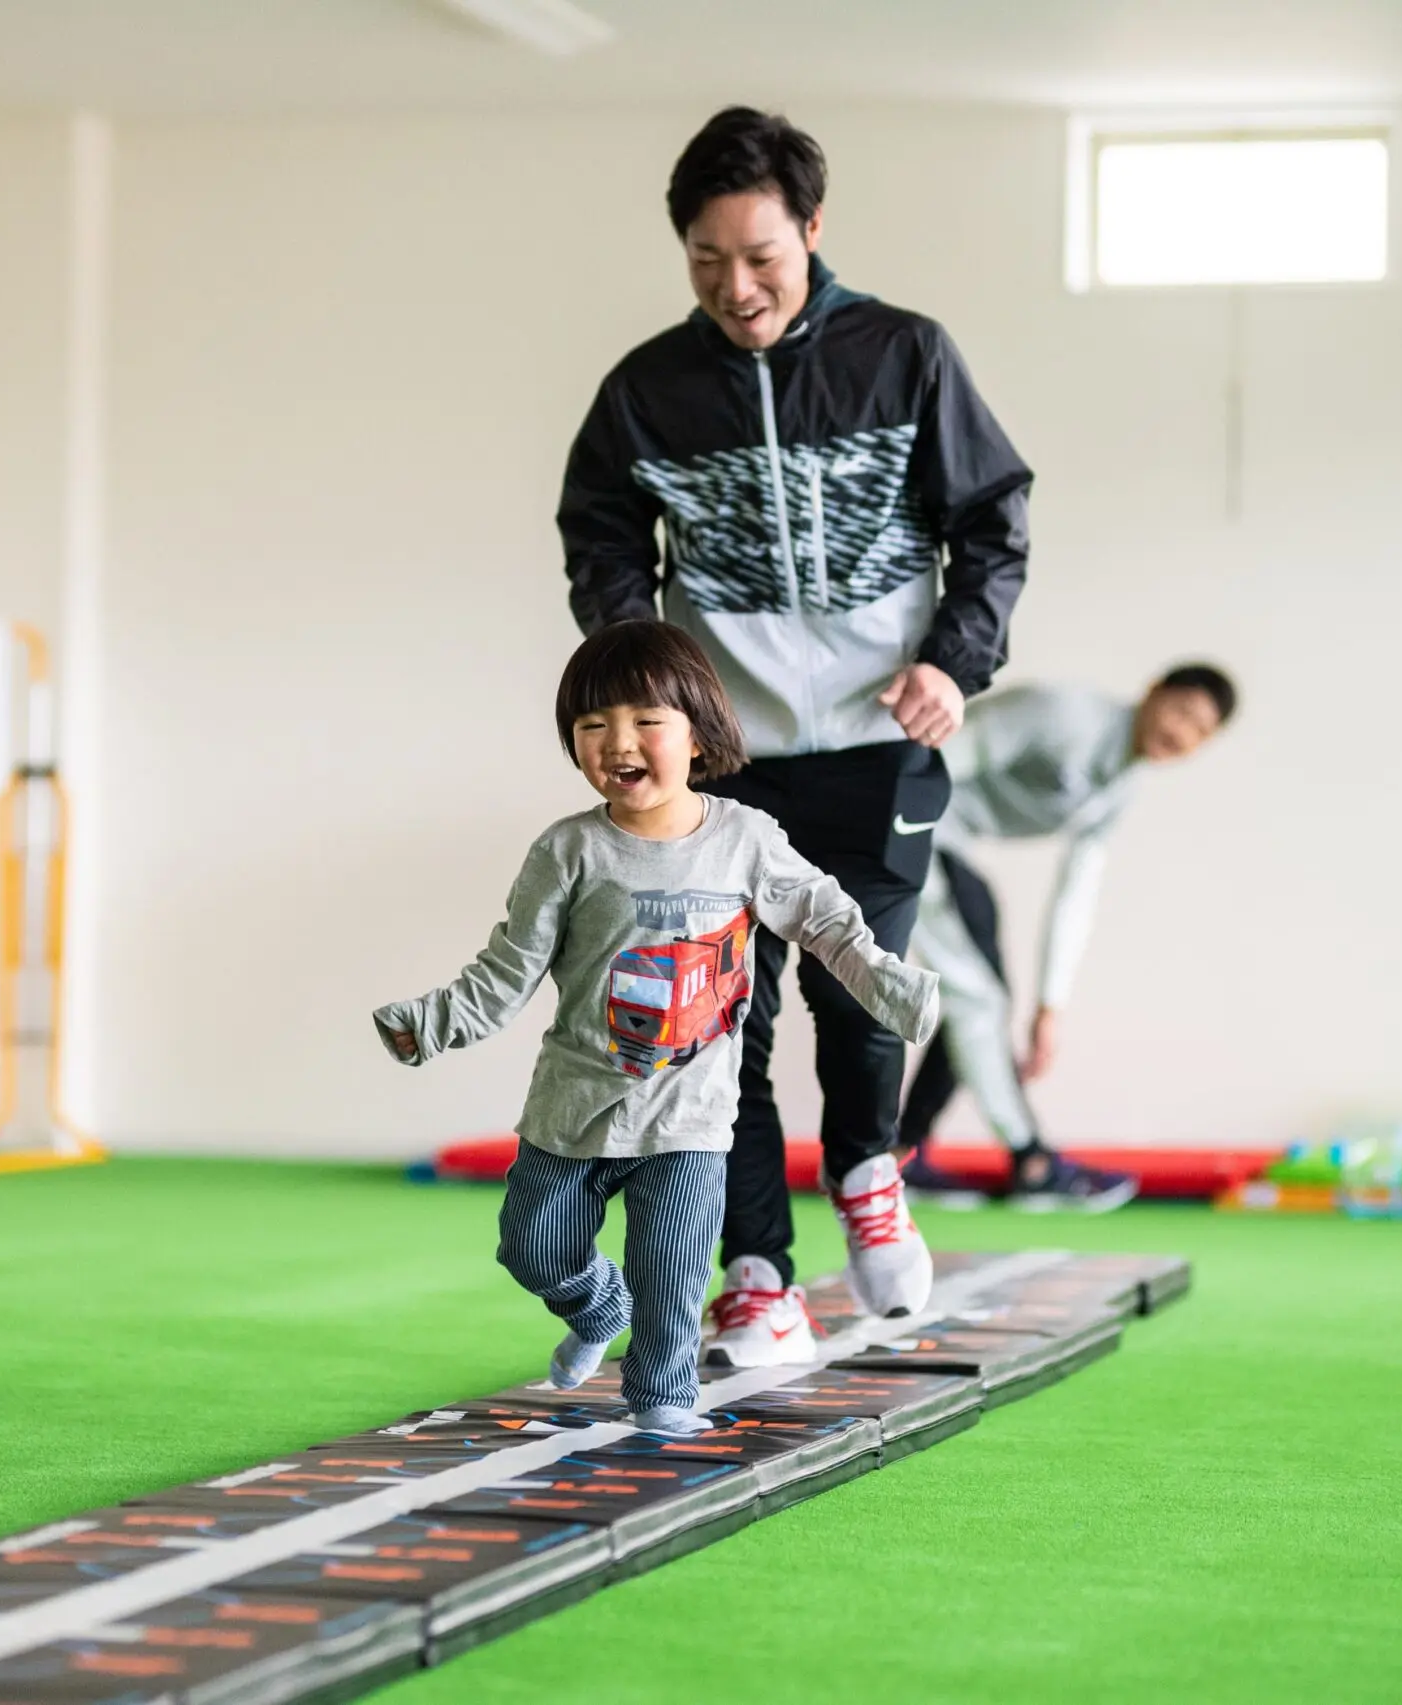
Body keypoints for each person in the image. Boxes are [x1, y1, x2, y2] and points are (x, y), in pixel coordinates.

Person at [556, 107, 1032, 1363]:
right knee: (723, 1021)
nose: (737, 287)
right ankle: (756, 1272)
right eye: (707, 261)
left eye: (760, 255)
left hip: (884, 746)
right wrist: (650, 679)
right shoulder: (647, 391)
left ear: (812, 231)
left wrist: (955, 660)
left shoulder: (904, 354)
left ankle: (869, 1168)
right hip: (727, 762)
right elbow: (600, 538)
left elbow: (989, 518)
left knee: (862, 989)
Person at [373, 622, 937, 1436]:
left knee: (671, 1269)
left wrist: (888, 983)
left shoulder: (744, 839)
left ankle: (663, 1393)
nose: (619, 741)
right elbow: (507, 969)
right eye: (594, 725)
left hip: (690, 1113)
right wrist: (429, 1025)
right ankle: (598, 1309)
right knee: (531, 1246)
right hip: (575, 1104)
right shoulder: (567, 850)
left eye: (646, 721)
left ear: (699, 733)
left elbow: (823, 918)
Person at [898, 666, 1238, 1209]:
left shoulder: (1120, 788)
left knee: (982, 992)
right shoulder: (1064, 715)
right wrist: (880, 843)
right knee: (980, 996)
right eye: (1182, 712)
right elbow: (932, 757)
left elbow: (1076, 893)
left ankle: (904, 1156)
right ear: (1152, 691)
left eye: (1200, 732)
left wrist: (1050, 1005)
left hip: (948, 844)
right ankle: (1029, 1160)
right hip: (906, 828)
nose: (1182, 735)